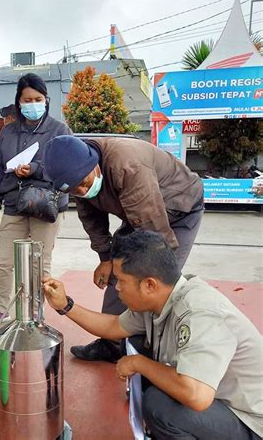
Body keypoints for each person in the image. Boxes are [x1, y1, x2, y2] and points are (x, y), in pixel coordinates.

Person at [43, 231, 263, 440]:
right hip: (217, 399)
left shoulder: (199, 313)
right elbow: (113, 326)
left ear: (149, 284)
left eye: (121, 281)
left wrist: (139, 363)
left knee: (161, 407)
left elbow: (196, 395)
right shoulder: (158, 300)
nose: (117, 288)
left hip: (249, 420)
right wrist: (65, 305)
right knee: (136, 342)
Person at [44, 135, 204, 362]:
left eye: (85, 182)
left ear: (93, 163)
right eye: (74, 189)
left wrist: (144, 268)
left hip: (180, 209)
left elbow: (154, 233)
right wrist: (105, 258)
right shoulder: (76, 178)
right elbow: (91, 218)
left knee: (158, 280)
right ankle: (112, 345)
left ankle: (160, 348)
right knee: (118, 272)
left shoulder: (126, 165)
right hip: (138, 212)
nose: (82, 189)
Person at [0, 73, 72, 328]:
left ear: (46, 100)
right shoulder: (7, 133)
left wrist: (36, 169)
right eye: (27, 99)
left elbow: (68, 167)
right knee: (4, 261)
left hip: (47, 206)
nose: (32, 104)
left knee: (39, 265)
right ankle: (0, 309)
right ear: (18, 102)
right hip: (14, 205)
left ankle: (34, 313)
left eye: (38, 99)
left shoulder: (60, 130)